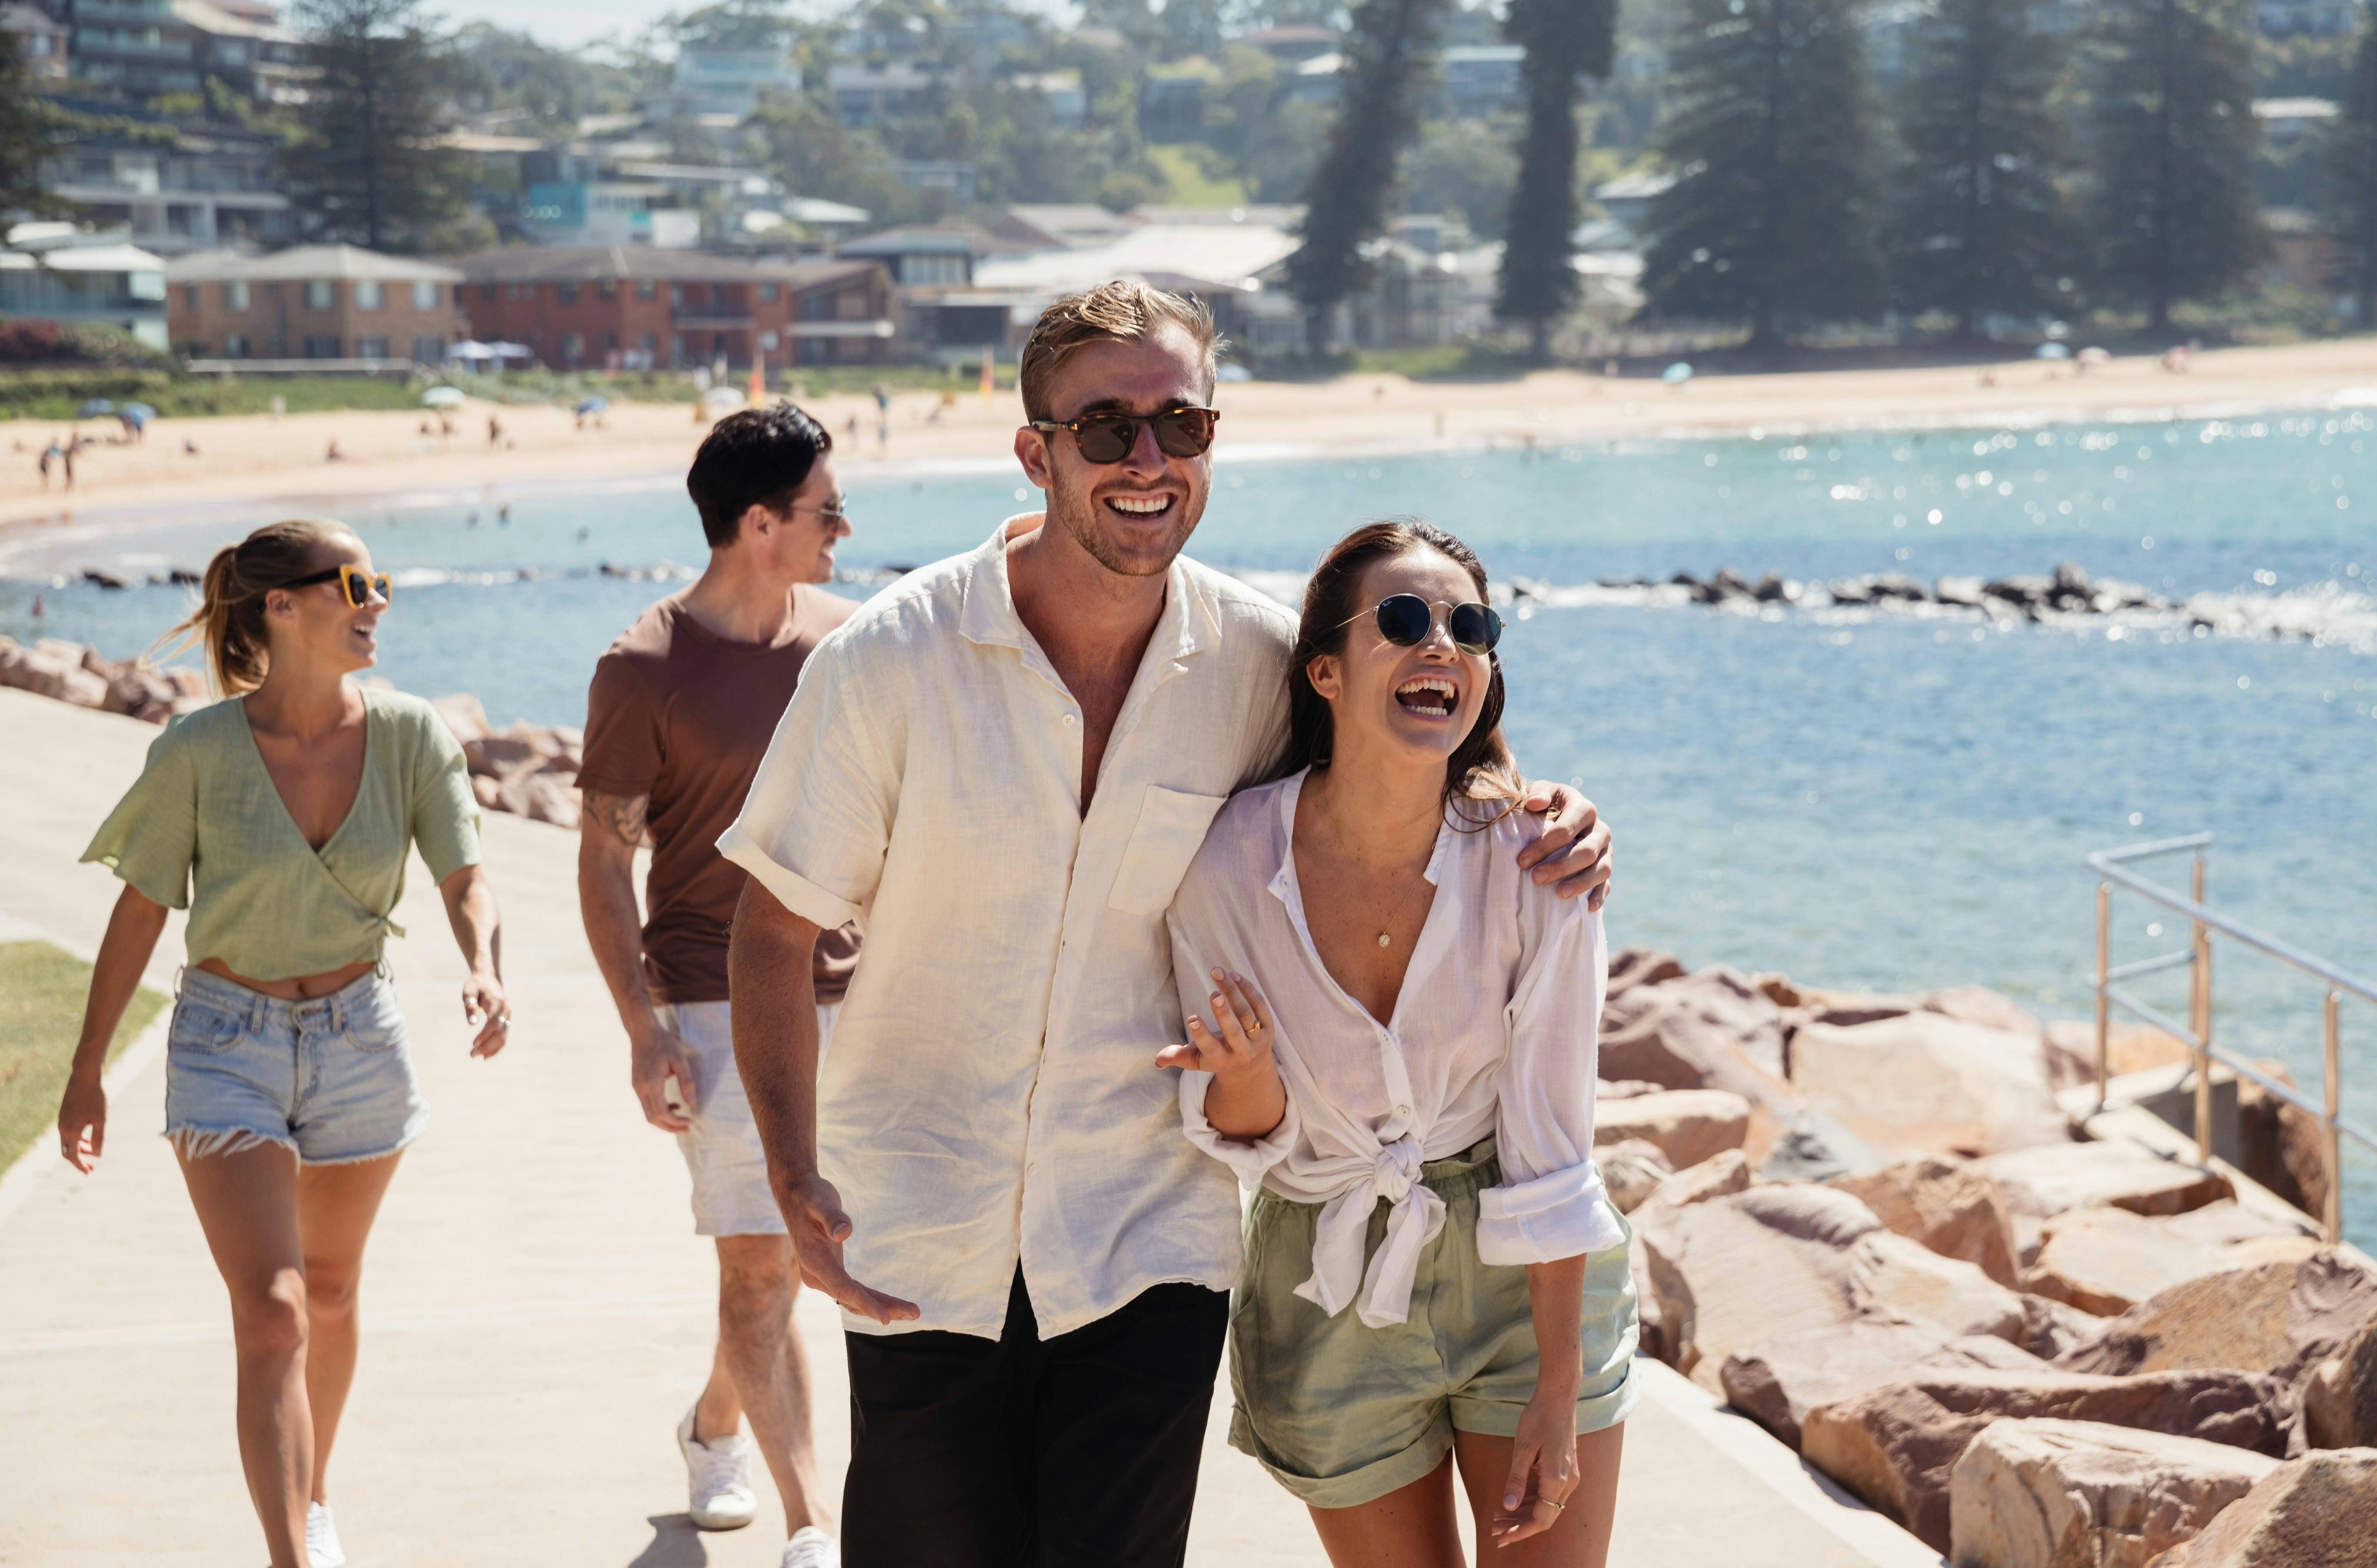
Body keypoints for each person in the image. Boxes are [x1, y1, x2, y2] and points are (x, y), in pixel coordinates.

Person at [715, 281, 1613, 1567]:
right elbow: (773, 926)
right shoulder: (891, 657)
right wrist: (794, 1175)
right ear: (1036, 452)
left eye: (1179, 426)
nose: (1148, 460)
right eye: (1105, 429)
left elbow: (1396, 759)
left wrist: (1540, 812)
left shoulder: (1255, 658)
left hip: (1147, 1237)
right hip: (921, 1224)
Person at [1159, 519, 1634, 1568]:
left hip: (1530, 1275)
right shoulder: (1226, 864)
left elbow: (1555, 1141)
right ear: (1325, 669)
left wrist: (1559, 1389)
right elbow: (1251, 1140)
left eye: (1470, 625)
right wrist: (1241, 1078)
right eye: (1408, 620)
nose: (1444, 647)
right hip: (1326, 1275)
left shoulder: (1535, 857)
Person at [53, 519, 509, 1568]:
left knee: (334, 1292)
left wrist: (483, 961)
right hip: (226, 1042)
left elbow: (465, 871)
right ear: (283, 606)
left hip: (360, 1038)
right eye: (356, 583)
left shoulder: (411, 734)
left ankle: (314, 1495)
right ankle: (290, 1556)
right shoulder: (199, 751)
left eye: (380, 580)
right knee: (274, 1311)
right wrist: (86, 1072)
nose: (378, 601)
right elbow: (140, 912)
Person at [576, 407, 854, 1568]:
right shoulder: (643, 669)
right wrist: (642, 1029)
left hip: (855, 994)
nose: (845, 529)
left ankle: (712, 1421)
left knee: (796, 1255)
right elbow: (603, 856)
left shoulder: (853, 638)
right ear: (758, 524)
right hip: (709, 999)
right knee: (758, 1255)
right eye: (825, 510)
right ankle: (809, 1525)